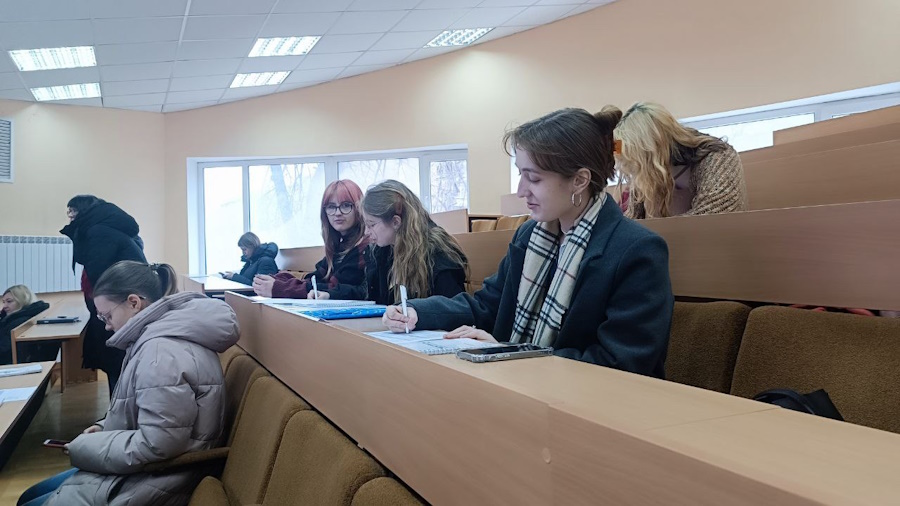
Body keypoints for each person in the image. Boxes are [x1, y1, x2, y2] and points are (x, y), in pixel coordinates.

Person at [383, 108, 674, 377]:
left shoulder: (636, 251)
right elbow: (487, 305)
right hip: (526, 388)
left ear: (579, 180)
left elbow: (620, 362)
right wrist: (417, 312)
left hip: (596, 404)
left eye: (533, 178)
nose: (521, 191)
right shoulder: (530, 236)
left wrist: (509, 354)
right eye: (520, 174)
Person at [17, 261, 239, 506]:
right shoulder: (156, 338)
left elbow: (158, 445)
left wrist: (86, 447)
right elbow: (146, 412)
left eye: (107, 315)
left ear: (134, 303)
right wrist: (104, 427)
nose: (106, 325)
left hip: (160, 479)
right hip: (147, 469)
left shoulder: (159, 354)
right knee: (30, 495)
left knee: (29, 501)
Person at [60, 195, 146, 395]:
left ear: (84, 211)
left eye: (73, 210)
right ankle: (119, 406)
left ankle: (119, 409)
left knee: (115, 359)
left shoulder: (98, 231)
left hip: (116, 306)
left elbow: (99, 274)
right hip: (117, 304)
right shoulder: (104, 227)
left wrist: (100, 310)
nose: (69, 215)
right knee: (116, 359)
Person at [610, 102, 748, 218]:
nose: (622, 167)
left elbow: (713, 218)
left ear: (650, 150)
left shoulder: (718, 158)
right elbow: (633, 220)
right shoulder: (645, 173)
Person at [253, 180, 369, 300]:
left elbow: (334, 289)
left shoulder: (365, 247)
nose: (338, 213)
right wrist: (279, 279)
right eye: (331, 207)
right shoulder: (340, 247)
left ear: (358, 208)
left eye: (346, 205)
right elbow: (316, 279)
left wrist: (281, 288)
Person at [361, 180, 468, 305]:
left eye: (371, 224)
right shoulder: (382, 251)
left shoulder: (438, 255)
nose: (366, 232)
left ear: (396, 222)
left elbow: (453, 309)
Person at [0, 285, 51, 365]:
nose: (5, 306)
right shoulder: (15, 318)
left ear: (22, 301)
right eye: (4, 302)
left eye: (9, 301)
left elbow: (4, 349)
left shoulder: (18, 322)